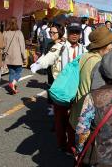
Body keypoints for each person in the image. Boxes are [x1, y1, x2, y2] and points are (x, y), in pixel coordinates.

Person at [31, 23, 86, 154]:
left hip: (76, 88)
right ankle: (62, 143)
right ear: (67, 32)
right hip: (61, 88)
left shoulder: (84, 50)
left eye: (77, 32)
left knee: (75, 119)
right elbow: (49, 58)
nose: (74, 35)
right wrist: (38, 64)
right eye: (72, 32)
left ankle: (71, 145)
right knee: (60, 119)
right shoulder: (60, 47)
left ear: (80, 34)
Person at [69, 26, 112, 135]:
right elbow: (99, 93)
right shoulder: (98, 62)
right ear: (102, 45)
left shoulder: (85, 56)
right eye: (110, 43)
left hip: (77, 110)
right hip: (88, 116)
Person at [3, 17, 27, 94]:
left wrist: (4, 52)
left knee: (11, 73)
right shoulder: (19, 33)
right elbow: (22, 46)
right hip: (17, 57)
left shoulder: (5, 32)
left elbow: (2, 45)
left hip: (8, 56)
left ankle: (12, 88)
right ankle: (13, 84)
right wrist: (25, 57)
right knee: (19, 72)